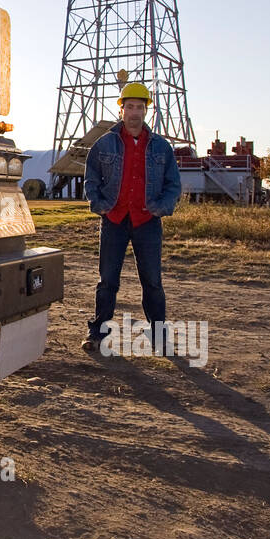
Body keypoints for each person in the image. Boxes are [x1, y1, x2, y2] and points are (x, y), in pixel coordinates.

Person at [82, 82, 181, 356]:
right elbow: (91, 178)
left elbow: (173, 185)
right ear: (121, 109)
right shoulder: (105, 144)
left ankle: (159, 336)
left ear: (146, 110)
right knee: (108, 280)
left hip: (147, 222)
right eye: (129, 107)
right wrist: (100, 206)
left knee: (152, 280)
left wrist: (161, 208)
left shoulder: (161, 147)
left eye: (140, 107)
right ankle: (98, 333)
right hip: (114, 220)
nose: (134, 112)